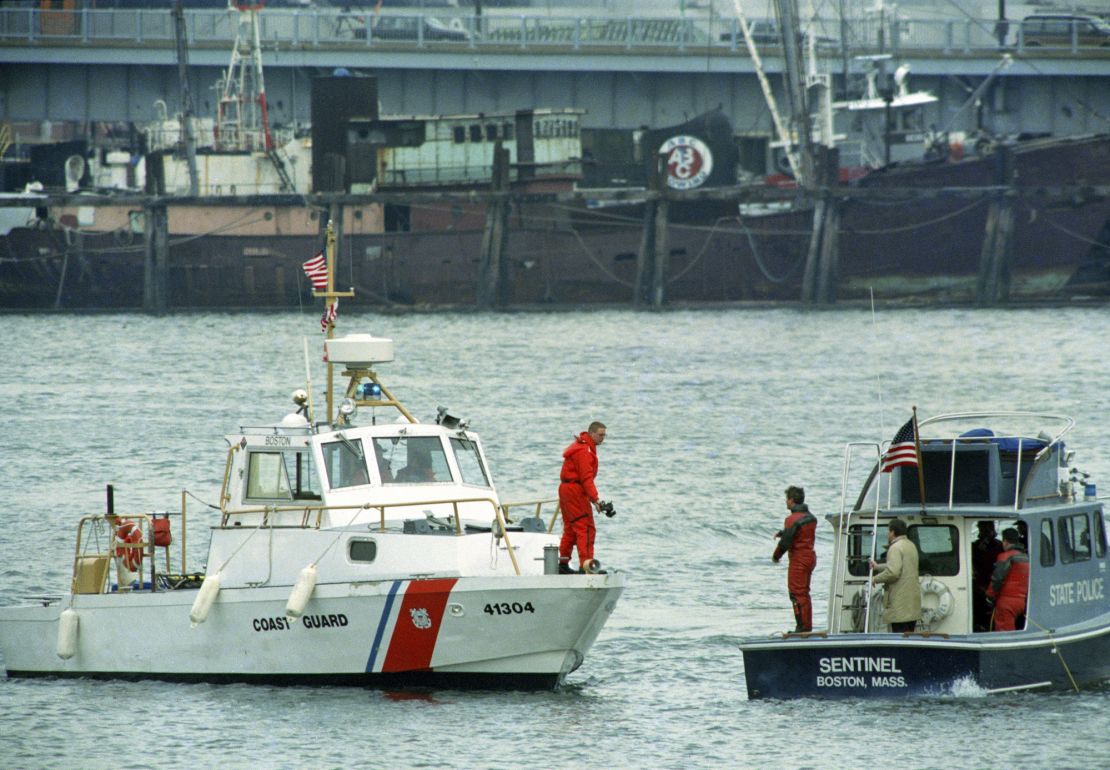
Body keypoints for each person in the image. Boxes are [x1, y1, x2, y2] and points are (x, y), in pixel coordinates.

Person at [558, 421, 607, 574]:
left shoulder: (581, 447)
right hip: (575, 490)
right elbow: (586, 479)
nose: (603, 438)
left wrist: (593, 499)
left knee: (571, 528)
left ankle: (563, 564)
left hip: (567, 489)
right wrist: (596, 500)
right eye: (600, 435)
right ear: (591, 433)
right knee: (585, 527)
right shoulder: (585, 451)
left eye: (604, 435)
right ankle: (586, 567)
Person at [772, 486, 817, 633]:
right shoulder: (810, 517)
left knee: (796, 593)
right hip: (810, 557)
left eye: (787, 499)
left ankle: (802, 627)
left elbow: (786, 543)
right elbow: (798, 532)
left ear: (791, 500)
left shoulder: (791, 519)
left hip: (798, 559)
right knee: (804, 592)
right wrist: (783, 532)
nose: (786, 502)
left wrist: (776, 556)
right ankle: (806, 625)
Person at [869, 518, 921, 633]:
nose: (888, 534)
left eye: (888, 531)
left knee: (899, 636)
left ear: (892, 532)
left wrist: (875, 579)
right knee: (909, 636)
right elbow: (901, 566)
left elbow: (893, 572)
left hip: (899, 604)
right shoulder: (911, 545)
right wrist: (878, 567)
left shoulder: (895, 548)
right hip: (912, 604)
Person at [987, 527, 1030, 631]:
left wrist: (989, 597)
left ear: (1005, 541)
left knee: (1004, 632)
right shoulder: (1026, 557)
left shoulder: (1005, 557)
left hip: (1006, 604)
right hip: (1021, 602)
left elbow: (997, 579)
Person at [971, 521, 1004, 632]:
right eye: (982, 529)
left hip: (994, 582)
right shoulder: (975, 546)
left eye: (986, 529)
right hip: (981, 582)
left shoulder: (999, 546)